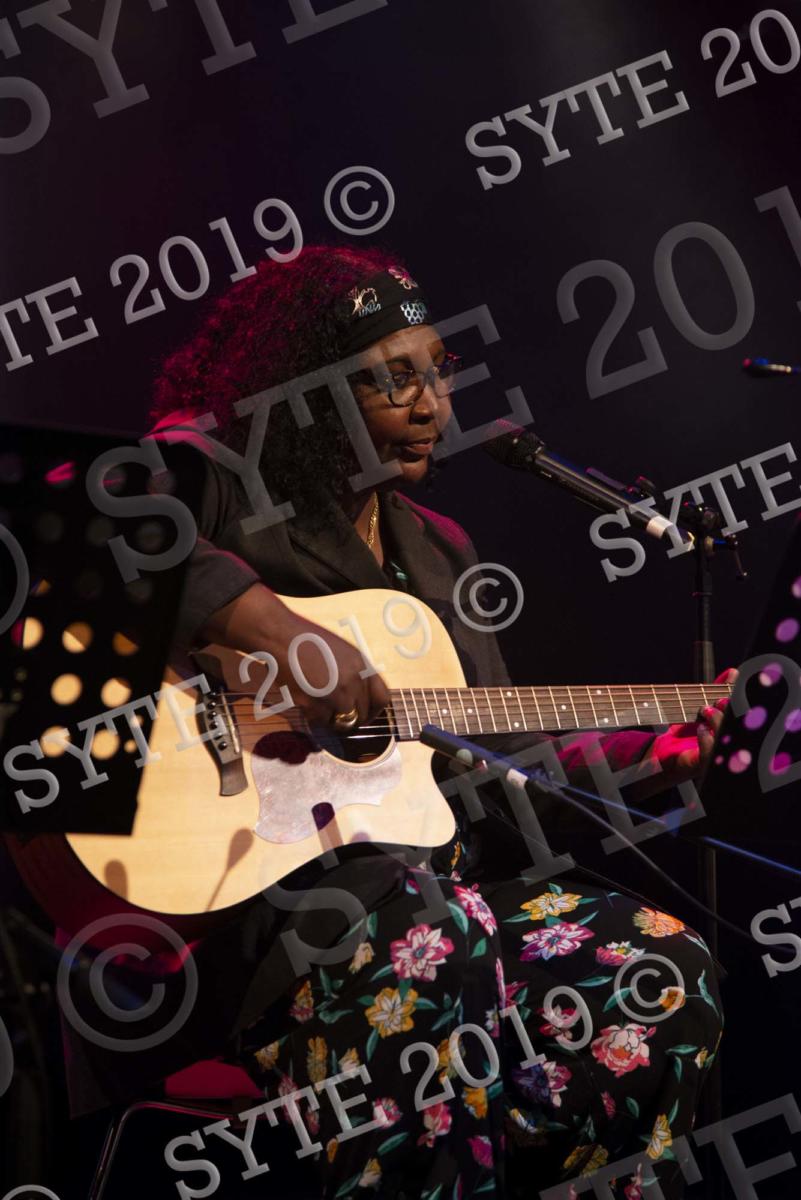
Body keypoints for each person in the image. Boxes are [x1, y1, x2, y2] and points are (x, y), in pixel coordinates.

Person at [105, 246, 732, 1197]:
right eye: (391, 379)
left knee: (661, 965)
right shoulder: (219, 474)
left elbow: (498, 770)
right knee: (442, 938)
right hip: (277, 918)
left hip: (442, 905)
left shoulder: (439, 554)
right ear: (305, 392)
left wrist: (654, 754)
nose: (431, 403)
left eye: (436, 372)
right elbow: (101, 516)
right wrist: (277, 633)